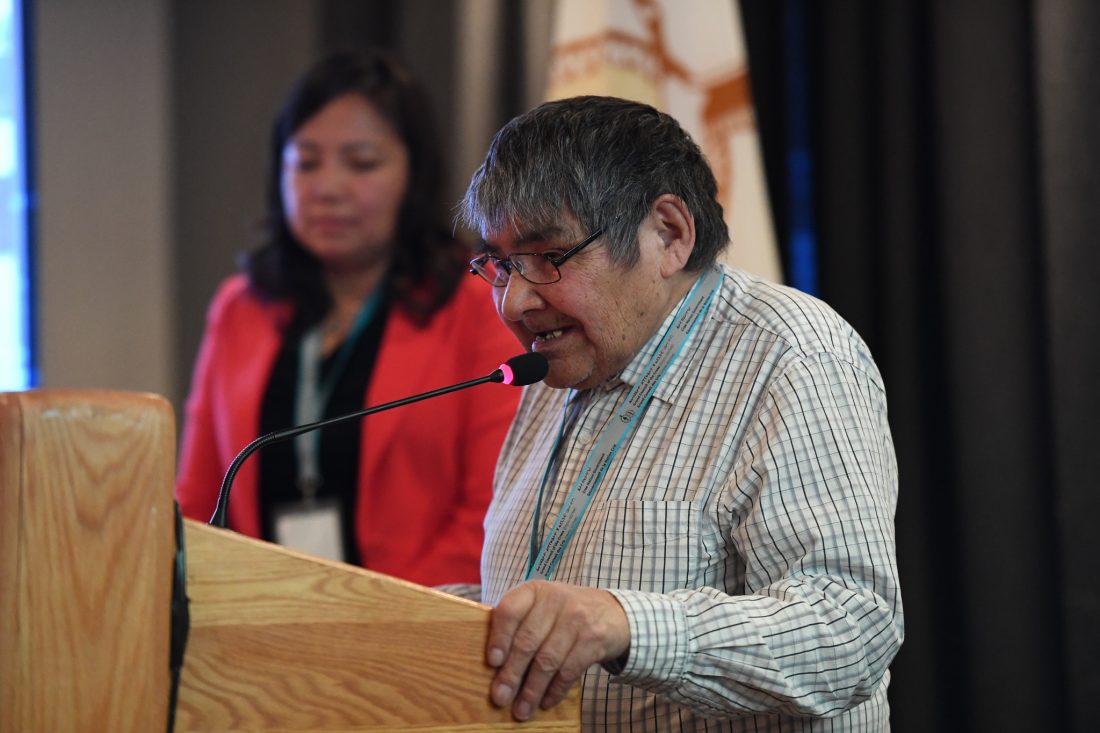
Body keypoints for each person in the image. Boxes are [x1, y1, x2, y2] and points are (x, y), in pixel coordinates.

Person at [456, 96, 903, 731]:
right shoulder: (556, 365)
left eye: (549, 257)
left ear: (668, 233)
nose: (514, 302)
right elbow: (549, 603)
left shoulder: (794, 357)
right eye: (501, 265)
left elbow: (848, 629)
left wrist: (626, 624)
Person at [175, 50, 520, 586]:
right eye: (306, 161)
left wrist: (365, 622)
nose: (328, 187)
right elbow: (198, 502)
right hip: (254, 626)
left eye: (361, 162)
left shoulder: (476, 305)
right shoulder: (240, 307)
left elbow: (492, 510)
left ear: (415, 174)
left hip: (414, 627)